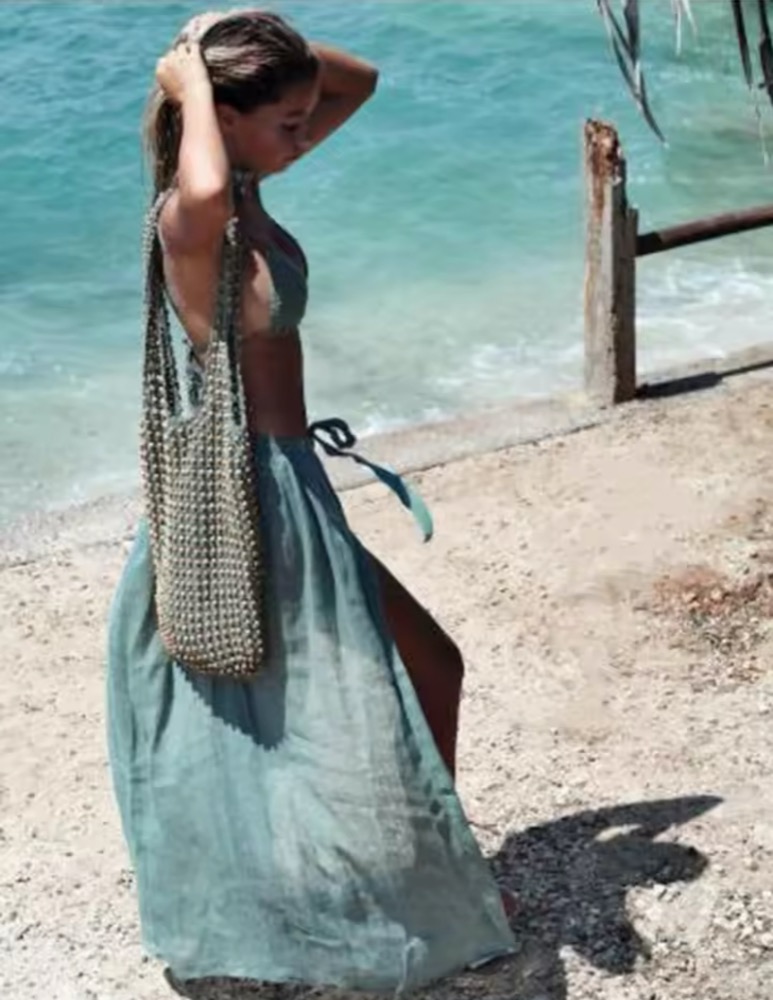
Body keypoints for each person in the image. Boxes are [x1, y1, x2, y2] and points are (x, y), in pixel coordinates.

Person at [107, 9, 514, 994]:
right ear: (224, 123)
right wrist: (191, 82)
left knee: (411, 674)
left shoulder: (244, 187)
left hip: (293, 487)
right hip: (251, 494)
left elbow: (357, 78)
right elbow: (204, 181)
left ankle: (415, 875)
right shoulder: (191, 220)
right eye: (284, 122)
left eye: (300, 120)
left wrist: (223, 30)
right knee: (372, 686)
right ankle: (397, 890)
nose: (302, 135)